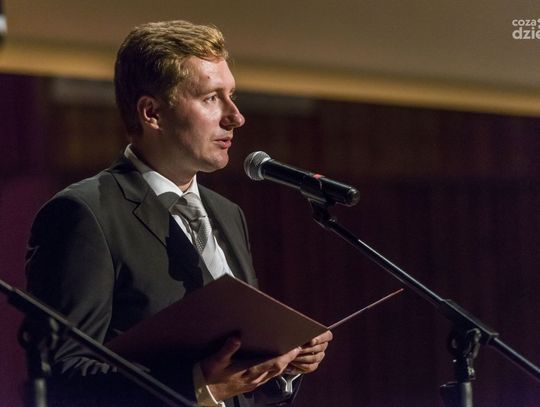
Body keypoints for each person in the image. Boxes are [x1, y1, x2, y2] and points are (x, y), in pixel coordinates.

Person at [24, 20, 332, 406]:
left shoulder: (228, 214)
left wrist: (283, 364)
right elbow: (63, 376)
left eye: (232, 96)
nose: (236, 117)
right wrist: (198, 385)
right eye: (211, 98)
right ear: (152, 112)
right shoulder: (84, 213)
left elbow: (234, 371)